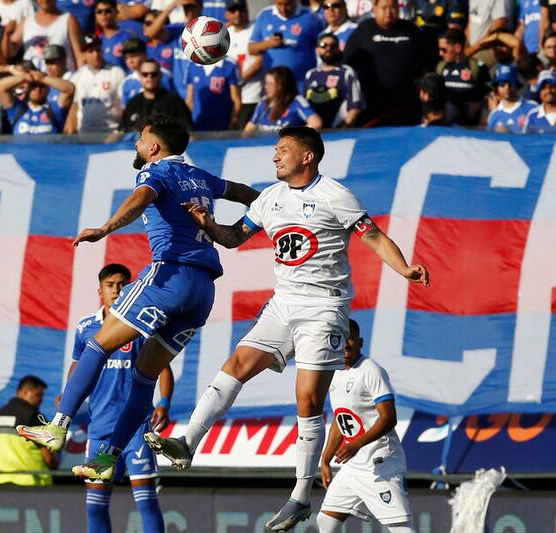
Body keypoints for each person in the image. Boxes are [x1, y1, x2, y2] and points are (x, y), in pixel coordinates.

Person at [145, 126, 430, 531]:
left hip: (324, 307)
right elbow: (234, 238)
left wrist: (404, 268)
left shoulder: (336, 195)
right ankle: (187, 441)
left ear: (307, 156)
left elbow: (374, 237)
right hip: (283, 303)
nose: (275, 156)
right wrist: (209, 224)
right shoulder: (270, 198)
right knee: (236, 364)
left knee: (307, 399)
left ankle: (300, 496)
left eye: (282, 150)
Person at [17, 115, 260, 480]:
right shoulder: (201, 177)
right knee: (144, 377)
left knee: (97, 344)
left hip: (169, 276)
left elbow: (141, 197)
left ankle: (58, 426)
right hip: (203, 291)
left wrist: (106, 228)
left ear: (154, 147)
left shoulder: (155, 172)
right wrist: (276, 203)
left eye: (141, 138)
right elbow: (243, 193)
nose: (136, 144)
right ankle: (108, 459)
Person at [71, 264, 173, 533]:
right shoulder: (86, 327)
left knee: (146, 501)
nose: (116, 290)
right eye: (110, 285)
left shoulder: (142, 323)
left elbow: (163, 367)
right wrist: (68, 396)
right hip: (100, 429)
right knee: (96, 505)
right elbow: (78, 366)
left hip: (135, 429)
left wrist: (164, 403)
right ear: (100, 291)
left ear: (131, 289)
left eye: (122, 284)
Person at [316, 320, 415, 533]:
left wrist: (356, 445)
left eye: (351, 338)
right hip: (353, 466)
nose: (346, 344)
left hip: (380, 463)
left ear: (360, 342)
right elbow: (341, 419)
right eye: (341, 338)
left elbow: (389, 418)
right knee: (326, 521)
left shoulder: (370, 370)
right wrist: (325, 458)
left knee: (401, 528)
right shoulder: (334, 373)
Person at [343, 0, 423, 125]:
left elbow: (425, 63)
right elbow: (347, 64)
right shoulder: (363, 30)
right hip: (371, 109)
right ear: (374, 8)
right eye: (384, 7)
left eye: (393, 7)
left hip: (405, 106)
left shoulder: (411, 30)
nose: (389, 12)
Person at [0, 375, 59, 486]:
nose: (41, 400)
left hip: (3, 482)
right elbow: (49, 458)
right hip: (32, 483)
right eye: (38, 395)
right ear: (25, 392)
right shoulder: (33, 416)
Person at [248, 0, 323, 87]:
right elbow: (251, 49)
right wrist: (268, 44)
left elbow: (322, 46)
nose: (283, 9)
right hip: (273, 86)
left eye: (288, 4)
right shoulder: (264, 15)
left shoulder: (311, 16)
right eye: (279, 4)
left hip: (301, 83)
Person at [0, 62, 75, 134]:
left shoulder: (54, 109)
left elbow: (69, 89)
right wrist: (25, 77)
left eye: (42, 86)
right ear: (27, 88)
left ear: (48, 89)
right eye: (33, 86)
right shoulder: (18, 109)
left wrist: (43, 78)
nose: (38, 89)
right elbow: (0, 87)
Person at [65, 36, 125, 133]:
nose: (96, 54)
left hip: (111, 132)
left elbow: (124, 105)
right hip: (84, 134)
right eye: (91, 51)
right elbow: (74, 106)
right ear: (84, 55)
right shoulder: (77, 76)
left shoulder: (116, 72)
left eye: (98, 50)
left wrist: (120, 130)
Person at [303, 33, 364, 128]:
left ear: (338, 49)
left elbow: (356, 106)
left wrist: (342, 130)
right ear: (317, 50)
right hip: (316, 131)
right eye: (324, 45)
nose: (328, 49)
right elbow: (305, 106)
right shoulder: (310, 74)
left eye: (333, 46)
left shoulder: (347, 72)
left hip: (338, 130)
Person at [142, 0, 201, 99]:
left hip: (199, 91)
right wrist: (171, 6)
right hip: (177, 92)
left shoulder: (208, 31)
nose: (189, 10)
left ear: (200, 7)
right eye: (186, 7)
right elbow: (150, 33)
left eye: (192, 6)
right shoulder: (178, 29)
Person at [435, 28, 489, 125]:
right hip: (446, 125)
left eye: (443, 49)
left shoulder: (477, 67)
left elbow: (488, 96)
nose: (440, 53)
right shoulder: (441, 67)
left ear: (457, 48)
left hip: (471, 125)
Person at [120, 58, 192, 131]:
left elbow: (188, 131)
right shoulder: (132, 104)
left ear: (160, 75)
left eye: (154, 74)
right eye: (145, 74)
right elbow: (122, 131)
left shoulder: (175, 102)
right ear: (140, 77)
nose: (149, 77)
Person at [10, 0, 82, 71]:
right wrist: (6, 34)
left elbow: (79, 56)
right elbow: (10, 52)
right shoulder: (27, 21)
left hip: (60, 77)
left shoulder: (69, 20)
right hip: (30, 76)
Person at [245, 66, 320, 131]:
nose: (266, 87)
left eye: (271, 84)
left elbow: (316, 123)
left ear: (282, 85)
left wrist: (295, 137)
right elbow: (250, 126)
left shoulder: (296, 101)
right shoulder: (263, 102)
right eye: (266, 83)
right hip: (263, 142)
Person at [225, 0, 263, 128]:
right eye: (233, 10)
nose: (237, 14)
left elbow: (260, 61)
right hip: (230, 98)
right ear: (226, 14)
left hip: (252, 95)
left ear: (247, 11)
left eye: (241, 10)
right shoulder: (224, 33)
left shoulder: (255, 29)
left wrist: (237, 81)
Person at [185, 56, 242, 131]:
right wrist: (188, 126)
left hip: (223, 125)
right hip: (198, 124)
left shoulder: (230, 64)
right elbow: (189, 100)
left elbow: (236, 99)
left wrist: (232, 124)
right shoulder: (192, 65)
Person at [119, 39, 174, 106]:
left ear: (145, 55)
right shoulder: (127, 82)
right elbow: (125, 107)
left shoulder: (163, 75)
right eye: (126, 58)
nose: (130, 61)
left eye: (134, 56)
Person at [486, 63, 537, 132]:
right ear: (497, 88)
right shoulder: (493, 115)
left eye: (511, 83)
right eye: (502, 84)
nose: (507, 87)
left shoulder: (532, 108)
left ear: (516, 84)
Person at [96, 0, 137, 70]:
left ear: (116, 13)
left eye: (107, 11)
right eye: (99, 12)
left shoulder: (127, 36)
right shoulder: (98, 41)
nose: (103, 14)